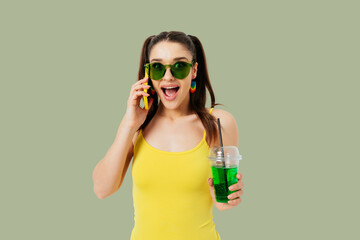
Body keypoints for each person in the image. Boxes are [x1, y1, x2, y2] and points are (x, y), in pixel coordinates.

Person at [92, 31, 244, 240]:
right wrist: (129, 125)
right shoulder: (137, 125)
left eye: (179, 66)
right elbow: (102, 189)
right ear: (148, 74)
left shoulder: (219, 123)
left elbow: (223, 201)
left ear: (194, 70)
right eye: (157, 67)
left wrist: (227, 199)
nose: (168, 76)